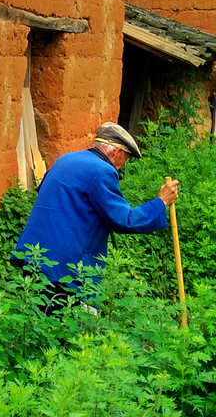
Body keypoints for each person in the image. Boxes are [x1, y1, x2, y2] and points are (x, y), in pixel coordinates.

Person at [12, 122, 179, 304]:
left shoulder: (65, 160)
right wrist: (161, 202)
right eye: (126, 158)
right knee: (73, 326)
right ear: (116, 152)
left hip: (34, 255)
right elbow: (125, 220)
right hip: (64, 267)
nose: (123, 166)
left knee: (37, 322)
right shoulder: (102, 171)